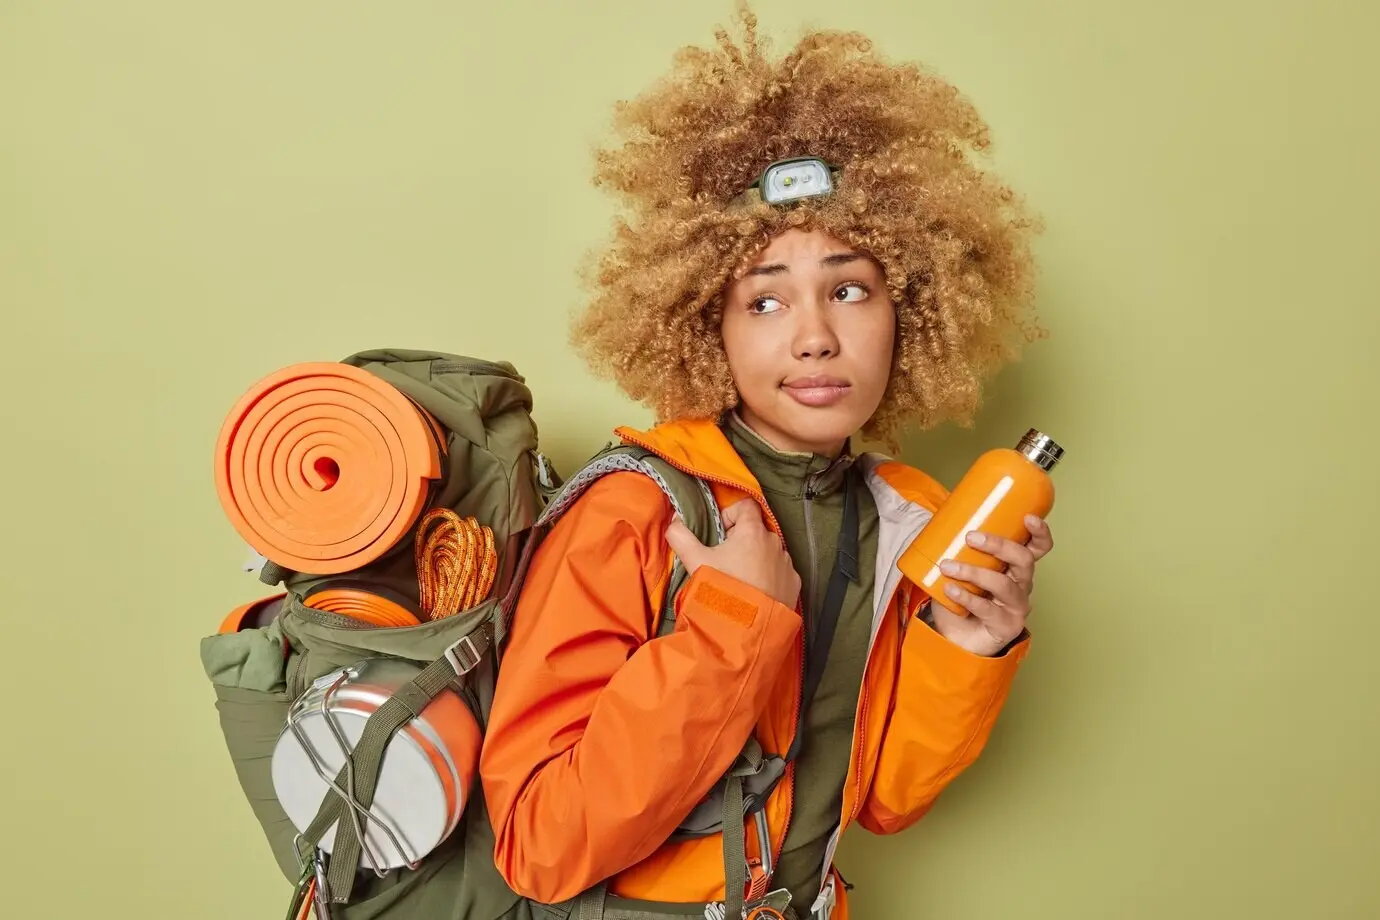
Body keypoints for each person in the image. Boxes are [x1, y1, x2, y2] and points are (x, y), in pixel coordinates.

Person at [478, 6, 1052, 918]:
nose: (816, 337)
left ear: (911, 311)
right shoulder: (633, 510)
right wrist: (731, 630)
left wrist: (968, 644)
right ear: (705, 322)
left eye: (850, 289)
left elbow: (882, 799)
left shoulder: (903, 517)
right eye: (766, 302)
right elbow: (542, 847)